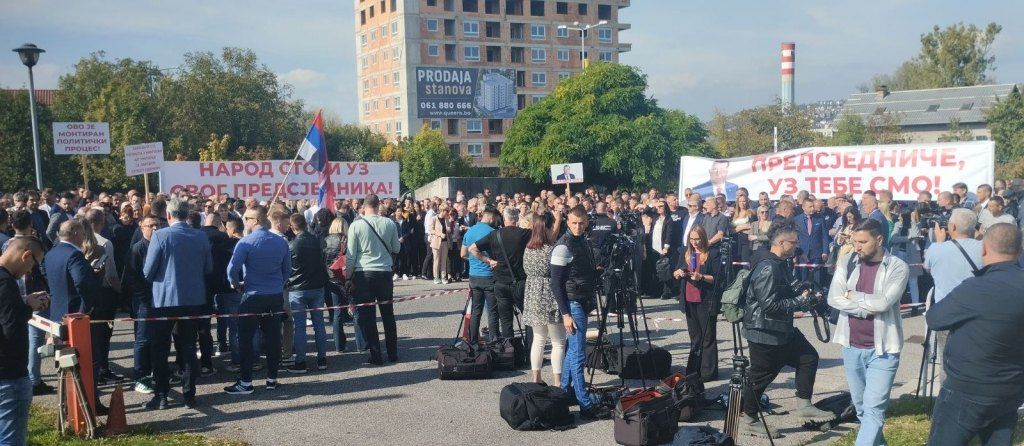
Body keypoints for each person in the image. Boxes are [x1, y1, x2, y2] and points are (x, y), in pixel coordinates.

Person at [926, 223, 1024, 445]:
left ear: (984, 249)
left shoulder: (975, 287)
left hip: (967, 388)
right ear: (1019, 251)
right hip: (1011, 388)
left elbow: (935, 319)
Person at [740, 221, 835, 438]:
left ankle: (804, 406)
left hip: (780, 330)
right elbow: (770, 305)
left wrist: (804, 290)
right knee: (761, 377)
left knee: (808, 358)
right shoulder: (768, 267)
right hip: (764, 332)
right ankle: (751, 420)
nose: (797, 245)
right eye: (794, 242)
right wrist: (800, 302)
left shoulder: (779, 262)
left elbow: (785, 289)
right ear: (781, 243)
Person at [827, 219, 908, 446]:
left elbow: (883, 303)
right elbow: (833, 298)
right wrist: (865, 307)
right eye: (855, 242)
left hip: (883, 349)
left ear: (879, 240)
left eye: (863, 242)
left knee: (874, 409)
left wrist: (853, 297)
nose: (857, 247)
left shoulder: (897, 266)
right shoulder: (847, 260)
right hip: (851, 346)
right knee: (862, 409)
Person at [142, 198, 213, 410]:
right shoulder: (200, 236)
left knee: (161, 348)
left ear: (168, 215)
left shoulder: (160, 235)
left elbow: (148, 271)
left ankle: (161, 395)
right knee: (189, 347)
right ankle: (189, 395)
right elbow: (208, 267)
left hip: (164, 299)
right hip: (192, 299)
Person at [550, 206, 610, 420]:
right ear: (567, 222)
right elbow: (556, 284)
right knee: (578, 354)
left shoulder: (583, 241)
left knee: (572, 351)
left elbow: (582, 270)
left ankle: (565, 391)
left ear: (586, 222)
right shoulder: (562, 246)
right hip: (572, 303)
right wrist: (565, 314)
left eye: (581, 223)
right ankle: (585, 403)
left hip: (583, 299)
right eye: (574, 222)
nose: (578, 226)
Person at [224, 205, 290, 395]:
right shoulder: (280, 242)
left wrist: (235, 284)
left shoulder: (245, 243)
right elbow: (287, 270)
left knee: (245, 339)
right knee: (272, 338)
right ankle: (272, 379)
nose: (245, 222)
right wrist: (278, 284)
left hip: (253, 296)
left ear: (256, 221)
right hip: (274, 296)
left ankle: (246, 382)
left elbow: (231, 270)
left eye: (247, 218)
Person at [0, 238, 48, 446]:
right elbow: (11, 329)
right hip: (9, 374)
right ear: (26, 255)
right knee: (11, 439)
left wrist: (24, 302)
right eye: (33, 264)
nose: (30, 271)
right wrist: (29, 308)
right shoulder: (6, 283)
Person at [345, 194, 401, 365]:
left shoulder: (356, 225)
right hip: (384, 272)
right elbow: (396, 248)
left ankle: (376, 355)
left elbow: (351, 255)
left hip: (364, 273)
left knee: (368, 316)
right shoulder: (389, 223)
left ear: (363, 206)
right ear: (378, 205)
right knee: (388, 315)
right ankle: (392, 353)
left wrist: (348, 276)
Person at [673, 226, 722, 382]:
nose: (694, 242)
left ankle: (709, 372)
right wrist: (679, 273)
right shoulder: (686, 253)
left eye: (697, 239)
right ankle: (694, 369)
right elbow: (675, 271)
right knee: (695, 337)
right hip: (689, 298)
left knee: (708, 337)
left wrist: (701, 276)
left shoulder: (712, 254)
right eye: (692, 239)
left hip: (705, 299)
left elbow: (717, 278)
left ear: (703, 238)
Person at [520, 213, 564, 383]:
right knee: (558, 342)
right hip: (551, 295)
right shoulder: (552, 250)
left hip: (533, 295)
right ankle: (557, 381)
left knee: (538, 339)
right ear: (546, 228)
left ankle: (536, 378)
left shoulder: (528, 249)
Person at [286, 213, 329, 373]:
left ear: (292, 227)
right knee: (319, 324)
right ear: (305, 224)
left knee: (300, 327)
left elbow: (287, 268)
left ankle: (301, 362)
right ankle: (322, 359)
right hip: (317, 286)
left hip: (297, 289)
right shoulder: (317, 241)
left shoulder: (291, 245)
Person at [125, 215, 159, 394]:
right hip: (144, 302)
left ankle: (155, 372)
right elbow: (132, 279)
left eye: (157, 225)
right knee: (143, 339)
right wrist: (144, 300)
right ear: (141, 227)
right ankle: (140, 376)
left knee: (158, 339)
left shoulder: (161, 246)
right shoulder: (137, 249)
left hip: (160, 301)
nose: (154, 228)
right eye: (150, 225)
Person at [462, 210, 497, 343]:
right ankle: (494, 340)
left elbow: (462, 254)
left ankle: (473, 340)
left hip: (474, 275)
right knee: (493, 311)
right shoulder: (492, 231)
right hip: (488, 274)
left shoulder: (469, 231)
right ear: (491, 217)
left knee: (476, 310)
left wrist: (473, 260)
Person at [793, 199, 829, 286]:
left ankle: (818, 294)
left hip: (817, 252)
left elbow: (824, 236)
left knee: (817, 276)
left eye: (813, 206)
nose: (813, 208)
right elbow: (795, 238)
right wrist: (794, 254)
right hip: (802, 253)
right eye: (810, 207)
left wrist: (825, 252)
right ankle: (804, 294)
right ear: (803, 207)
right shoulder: (796, 220)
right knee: (803, 276)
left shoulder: (819, 218)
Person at [429, 206, 451, 284]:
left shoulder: (446, 219)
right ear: (442, 210)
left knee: (444, 260)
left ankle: (443, 277)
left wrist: (449, 229)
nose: (448, 213)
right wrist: (440, 234)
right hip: (436, 242)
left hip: (445, 242)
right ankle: (436, 277)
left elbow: (448, 228)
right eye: (447, 211)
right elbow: (431, 230)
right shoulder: (434, 218)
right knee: (436, 260)